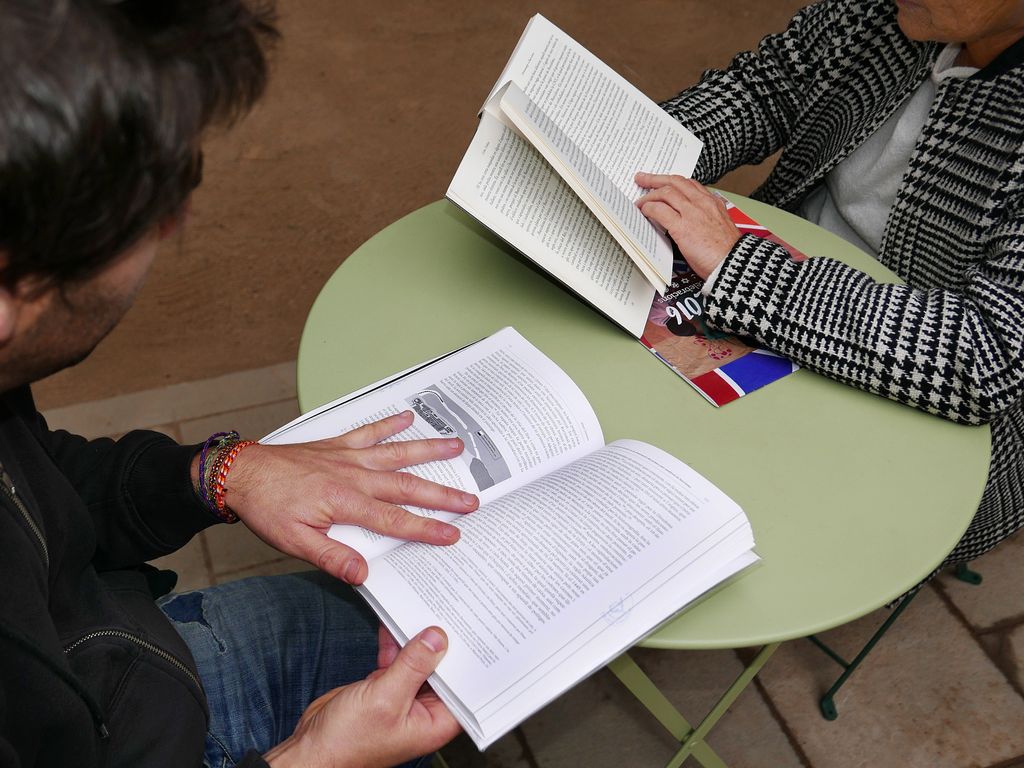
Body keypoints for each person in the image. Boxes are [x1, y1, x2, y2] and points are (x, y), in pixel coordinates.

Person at [0, 2, 475, 766]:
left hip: (133, 671)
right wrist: (308, 761)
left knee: (446, 655)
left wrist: (221, 473)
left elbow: (37, 485)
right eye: (158, 200)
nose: (177, 219)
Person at [635, 0, 1024, 576]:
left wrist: (741, 268)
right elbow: (764, 89)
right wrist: (628, 157)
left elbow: (984, 355)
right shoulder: (891, 13)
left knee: (709, 526)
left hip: (912, 393)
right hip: (751, 277)